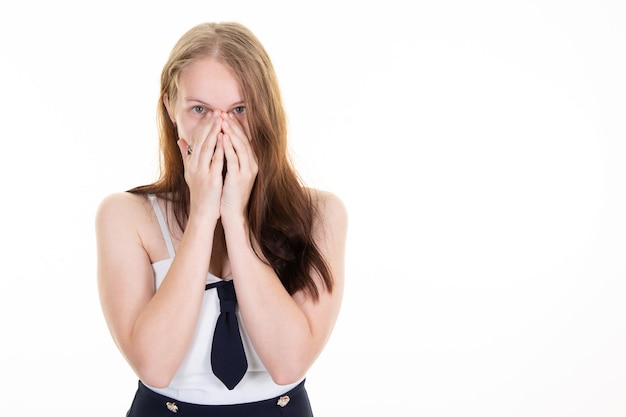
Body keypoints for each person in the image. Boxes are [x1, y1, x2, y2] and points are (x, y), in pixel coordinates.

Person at [95, 21, 347, 416]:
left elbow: (288, 363)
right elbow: (154, 367)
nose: (220, 130)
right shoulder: (125, 216)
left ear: (265, 112)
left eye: (239, 110)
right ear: (170, 109)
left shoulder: (322, 214)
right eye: (200, 110)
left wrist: (235, 217)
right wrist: (202, 216)